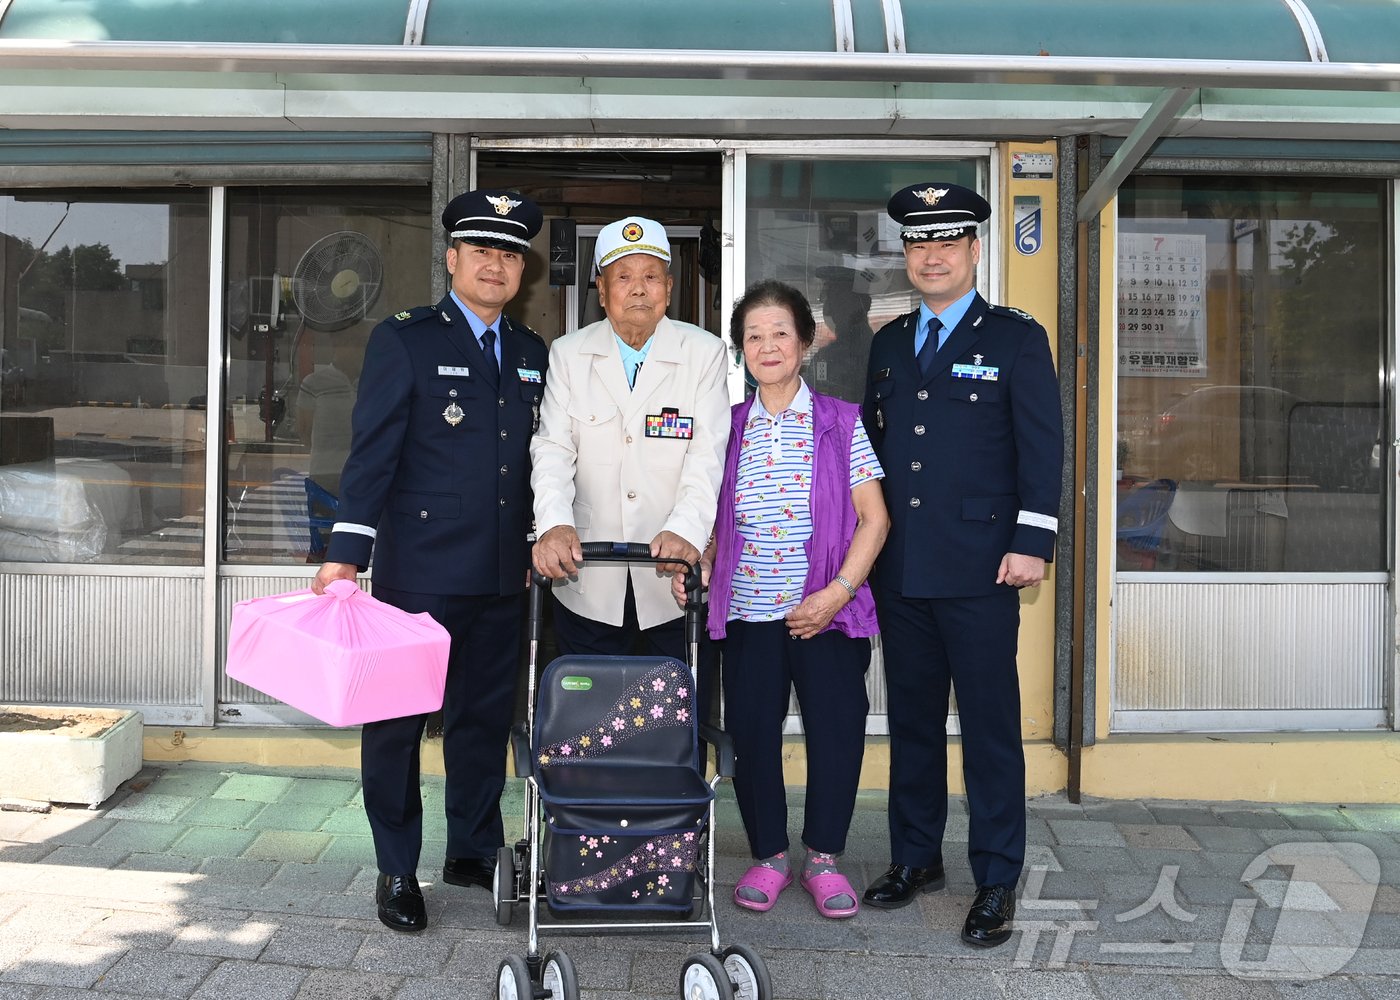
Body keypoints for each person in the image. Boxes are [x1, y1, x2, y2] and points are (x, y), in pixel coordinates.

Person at [311, 189, 548, 933]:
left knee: (480, 723)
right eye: (481, 250)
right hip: (420, 576)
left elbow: (545, 465)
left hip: (503, 576)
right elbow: (371, 455)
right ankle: (395, 867)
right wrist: (344, 556)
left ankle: (472, 849)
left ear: (521, 269)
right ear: (452, 258)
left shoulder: (535, 353)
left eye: (508, 253)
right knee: (397, 727)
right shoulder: (406, 339)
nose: (495, 264)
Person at [860, 182, 1063, 947]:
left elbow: (1042, 448)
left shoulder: (1014, 338)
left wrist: (1033, 540)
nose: (932, 255)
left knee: (987, 730)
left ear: (975, 249)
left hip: (984, 568)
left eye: (947, 241)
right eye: (919, 243)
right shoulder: (886, 342)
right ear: (906, 255)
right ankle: (917, 859)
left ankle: (997, 878)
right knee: (911, 723)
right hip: (903, 571)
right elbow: (871, 458)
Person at [675, 280, 888, 919]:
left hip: (827, 612)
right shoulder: (727, 428)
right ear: (742, 351)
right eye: (753, 337)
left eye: (780, 334)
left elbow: (874, 520)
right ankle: (768, 856)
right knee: (753, 737)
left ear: (804, 343)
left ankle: (823, 858)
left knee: (836, 735)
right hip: (748, 613)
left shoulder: (841, 422)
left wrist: (837, 593)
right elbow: (710, 517)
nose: (768, 347)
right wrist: (702, 560)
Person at [530, 216, 729, 660]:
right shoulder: (567, 354)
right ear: (601, 291)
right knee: (591, 721)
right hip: (587, 579)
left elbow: (707, 454)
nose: (638, 289)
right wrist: (553, 524)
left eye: (651, 276)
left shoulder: (703, 353)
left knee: (671, 719)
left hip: (671, 579)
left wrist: (686, 530)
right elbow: (553, 450)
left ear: (669, 287)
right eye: (623, 277)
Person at [808, 266, 874, 403]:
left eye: (838, 297)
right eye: (830, 298)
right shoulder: (824, 358)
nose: (830, 306)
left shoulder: (879, 352)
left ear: (863, 303)